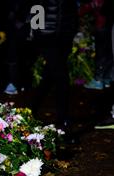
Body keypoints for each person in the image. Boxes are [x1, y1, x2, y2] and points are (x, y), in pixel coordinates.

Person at [31, 0, 78, 130]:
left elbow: (71, 9)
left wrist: (72, 30)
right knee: (62, 78)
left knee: (49, 77)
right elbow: (36, 6)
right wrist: (38, 35)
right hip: (47, 38)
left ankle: (31, 109)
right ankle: (63, 122)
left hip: (64, 37)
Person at [80, 0, 113, 90]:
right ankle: (106, 79)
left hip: (102, 24)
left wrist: (81, 10)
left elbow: (92, 5)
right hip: (109, 24)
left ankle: (98, 80)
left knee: (101, 53)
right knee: (109, 53)